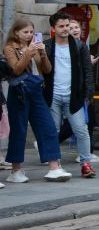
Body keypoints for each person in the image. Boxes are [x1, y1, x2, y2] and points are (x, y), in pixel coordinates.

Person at [3, 18, 72, 183]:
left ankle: (54, 167)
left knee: (48, 127)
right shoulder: (10, 48)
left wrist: (42, 53)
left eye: (31, 32)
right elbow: (16, 69)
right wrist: (28, 53)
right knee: (19, 131)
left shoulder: (35, 46)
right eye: (25, 32)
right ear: (16, 33)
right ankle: (16, 170)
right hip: (19, 91)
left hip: (36, 91)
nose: (29, 35)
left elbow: (47, 70)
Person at [43, 11, 96, 178]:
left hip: (74, 96)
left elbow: (87, 71)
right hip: (53, 95)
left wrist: (88, 94)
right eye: (61, 26)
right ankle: (55, 165)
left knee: (81, 130)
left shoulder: (79, 46)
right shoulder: (47, 46)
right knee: (53, 131)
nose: (65, 29)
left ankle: (86, 164)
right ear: (53, 28)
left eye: (67, 25)